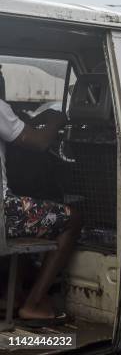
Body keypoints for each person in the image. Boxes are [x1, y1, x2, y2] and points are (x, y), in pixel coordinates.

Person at [0, 98, 82, 326]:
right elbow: (37, 142)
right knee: (72, 218)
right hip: (2, 213)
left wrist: (36, 120)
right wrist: (55, 121)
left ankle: (11, 294)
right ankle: (33, 304)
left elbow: (14, 126)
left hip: (9, 212)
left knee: (29, 213)